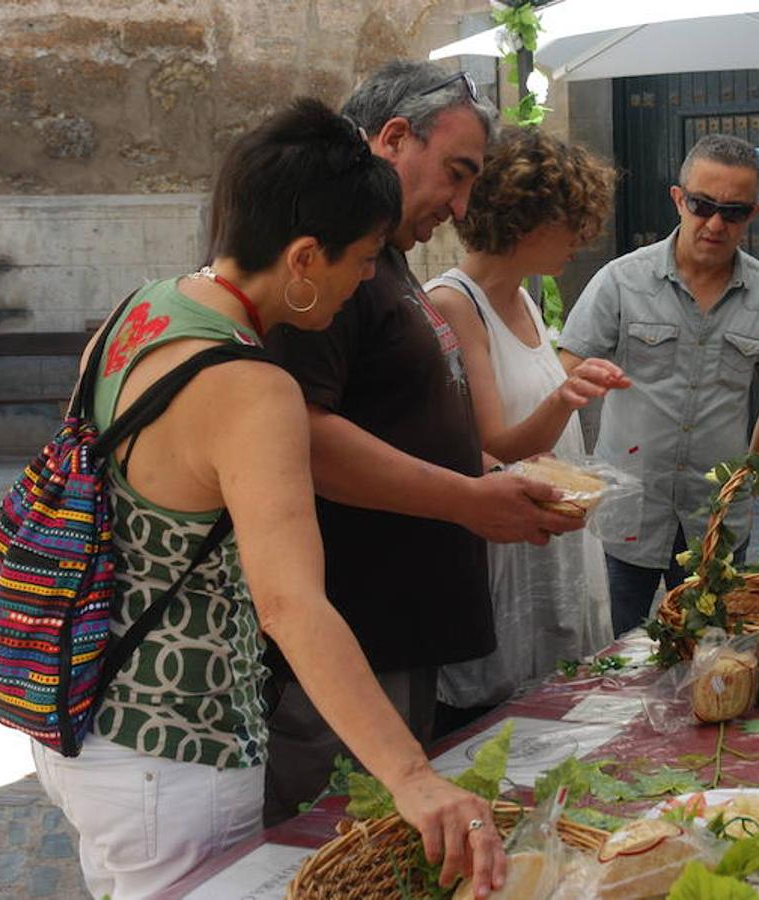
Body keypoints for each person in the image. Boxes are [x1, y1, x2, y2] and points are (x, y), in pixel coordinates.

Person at [30, 99, 506, 899]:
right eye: (360, 260)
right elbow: (292, 605)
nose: (365, 281)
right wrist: (413, 777)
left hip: (84, 720)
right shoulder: (253, 391)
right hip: (175, 748)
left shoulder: (136, 311)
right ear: (304, 257)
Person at [262, 63, 584, 825]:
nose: (464, 204)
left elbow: (402, 420)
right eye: (457, 174)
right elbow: (303, 435)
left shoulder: (387, 260)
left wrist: (496, 481)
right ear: (393, 138)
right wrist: (471, 499)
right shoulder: (324, 261)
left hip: (402, 640)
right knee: (338, 846)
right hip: (352, 645)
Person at [558, 133, 759, 637]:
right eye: (702, 205)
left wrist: (748, 479)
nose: (715, 223)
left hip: (715, 519)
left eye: (733, 212)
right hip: (627, 508)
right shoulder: (621, 281)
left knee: (712, 653)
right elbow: (567, 366)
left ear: (754, 214)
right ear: (678, 199)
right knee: (611, 653)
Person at [424, 127, 627, 727]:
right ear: (526, 219)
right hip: (507, 554)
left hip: (551, 542)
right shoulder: (455, 303)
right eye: (573, 222)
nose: (582, 239)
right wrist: (567, 396)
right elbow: (495, 444)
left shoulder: (527, 298)